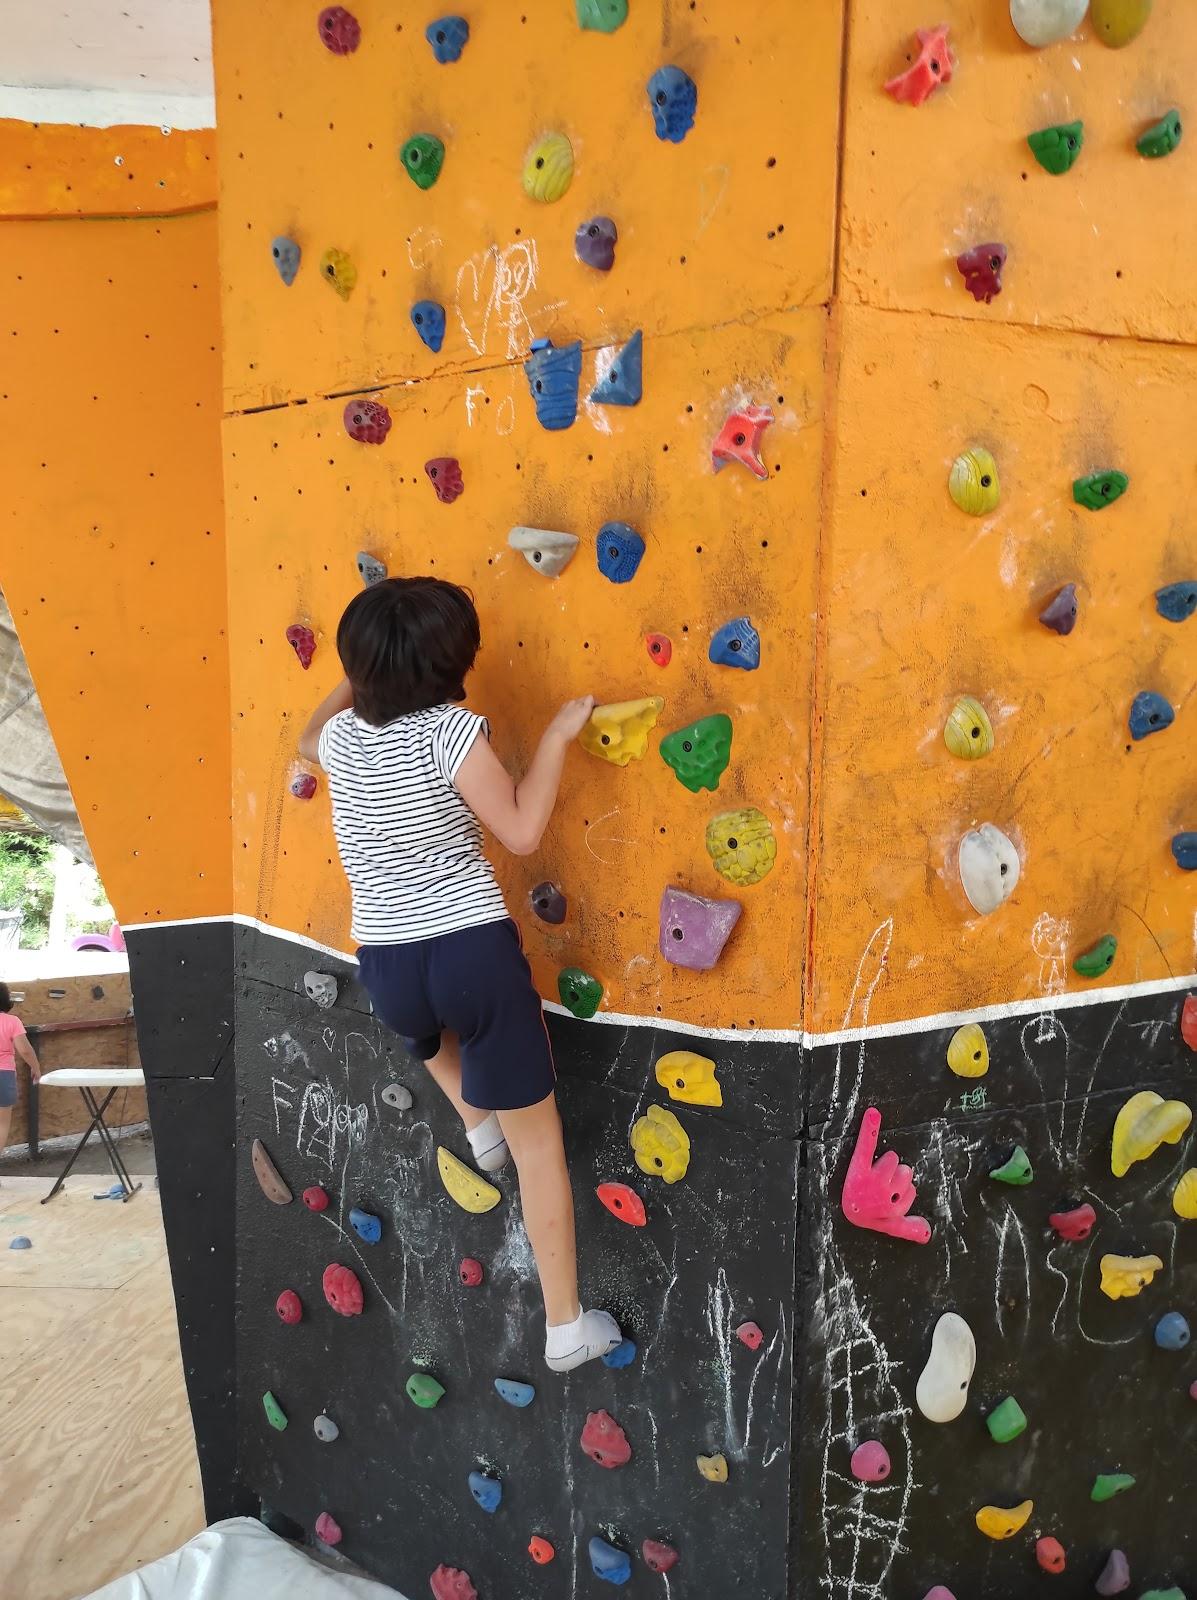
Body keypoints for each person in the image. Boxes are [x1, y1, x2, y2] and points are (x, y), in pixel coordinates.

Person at [298, 576, 622, 1373]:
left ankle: (477, 1130)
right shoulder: (449, 731)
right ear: (455, 665)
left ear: (358, 667)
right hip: (469, 950)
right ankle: (565, 1329)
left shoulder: (339, 741)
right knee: (539, 1147)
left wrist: (363, 677)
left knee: (424, 1035)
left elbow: (306, 735)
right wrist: (553, 740)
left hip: (384, 959)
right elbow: (517, 829)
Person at [0, 981, 41, 1158]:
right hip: (3, 1075)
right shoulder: (12, 1021)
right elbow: (24, 1049)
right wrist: (36, 1067)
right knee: (1, 1124)